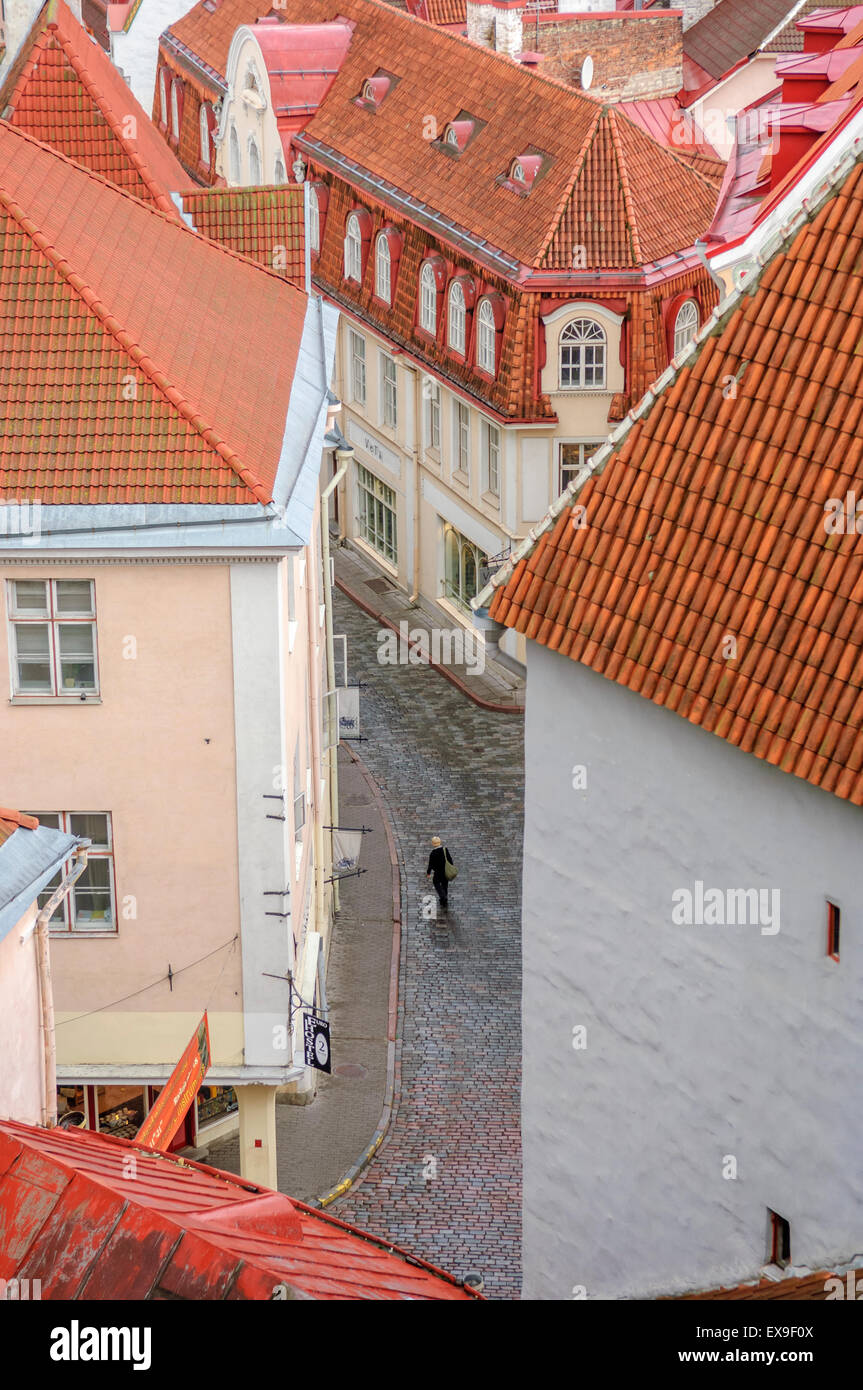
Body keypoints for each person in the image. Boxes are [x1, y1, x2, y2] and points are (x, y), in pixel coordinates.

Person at [426, 835, 454, 910]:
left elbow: (430, 864)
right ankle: (444, 900)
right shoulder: (445, 850)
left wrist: (428, 873)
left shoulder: (433, 853)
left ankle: (442, 896)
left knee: (436, 883)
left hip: (437, 873)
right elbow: (450, 860)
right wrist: (450, 867)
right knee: (445, 885)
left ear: (433, 844)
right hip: (445, 871)